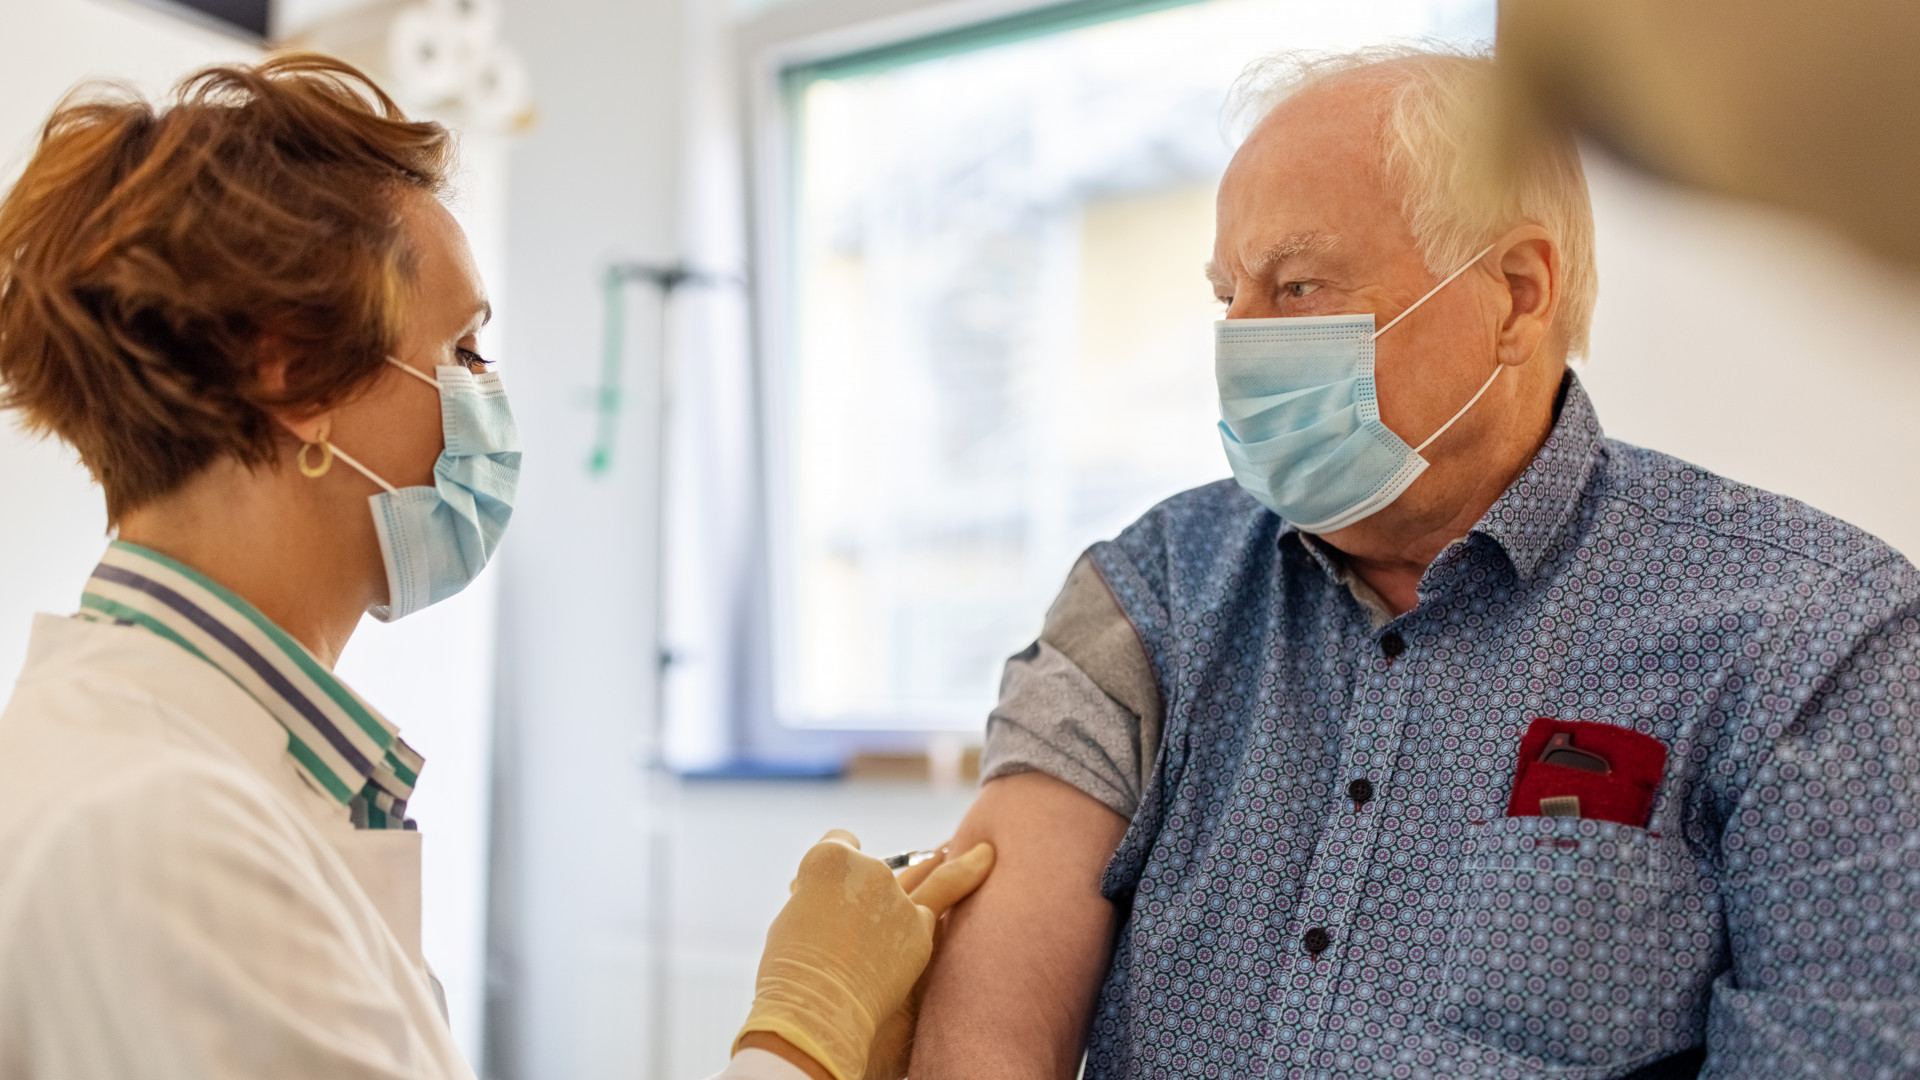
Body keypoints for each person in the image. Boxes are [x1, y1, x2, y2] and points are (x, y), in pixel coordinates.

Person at [909, 45, 1920, 1079]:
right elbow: (984, 1028)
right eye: (1229, 298)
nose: (1242, 347)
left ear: (1518, 295)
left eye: (1299, 287)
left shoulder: (1809, 642)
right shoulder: (1156, 593)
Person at [0, 55, 990, 1080]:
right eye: (465, 350)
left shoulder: (169, 754)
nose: (490, 399)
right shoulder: (167, 834)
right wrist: (805, 1028)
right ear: (293, 374)